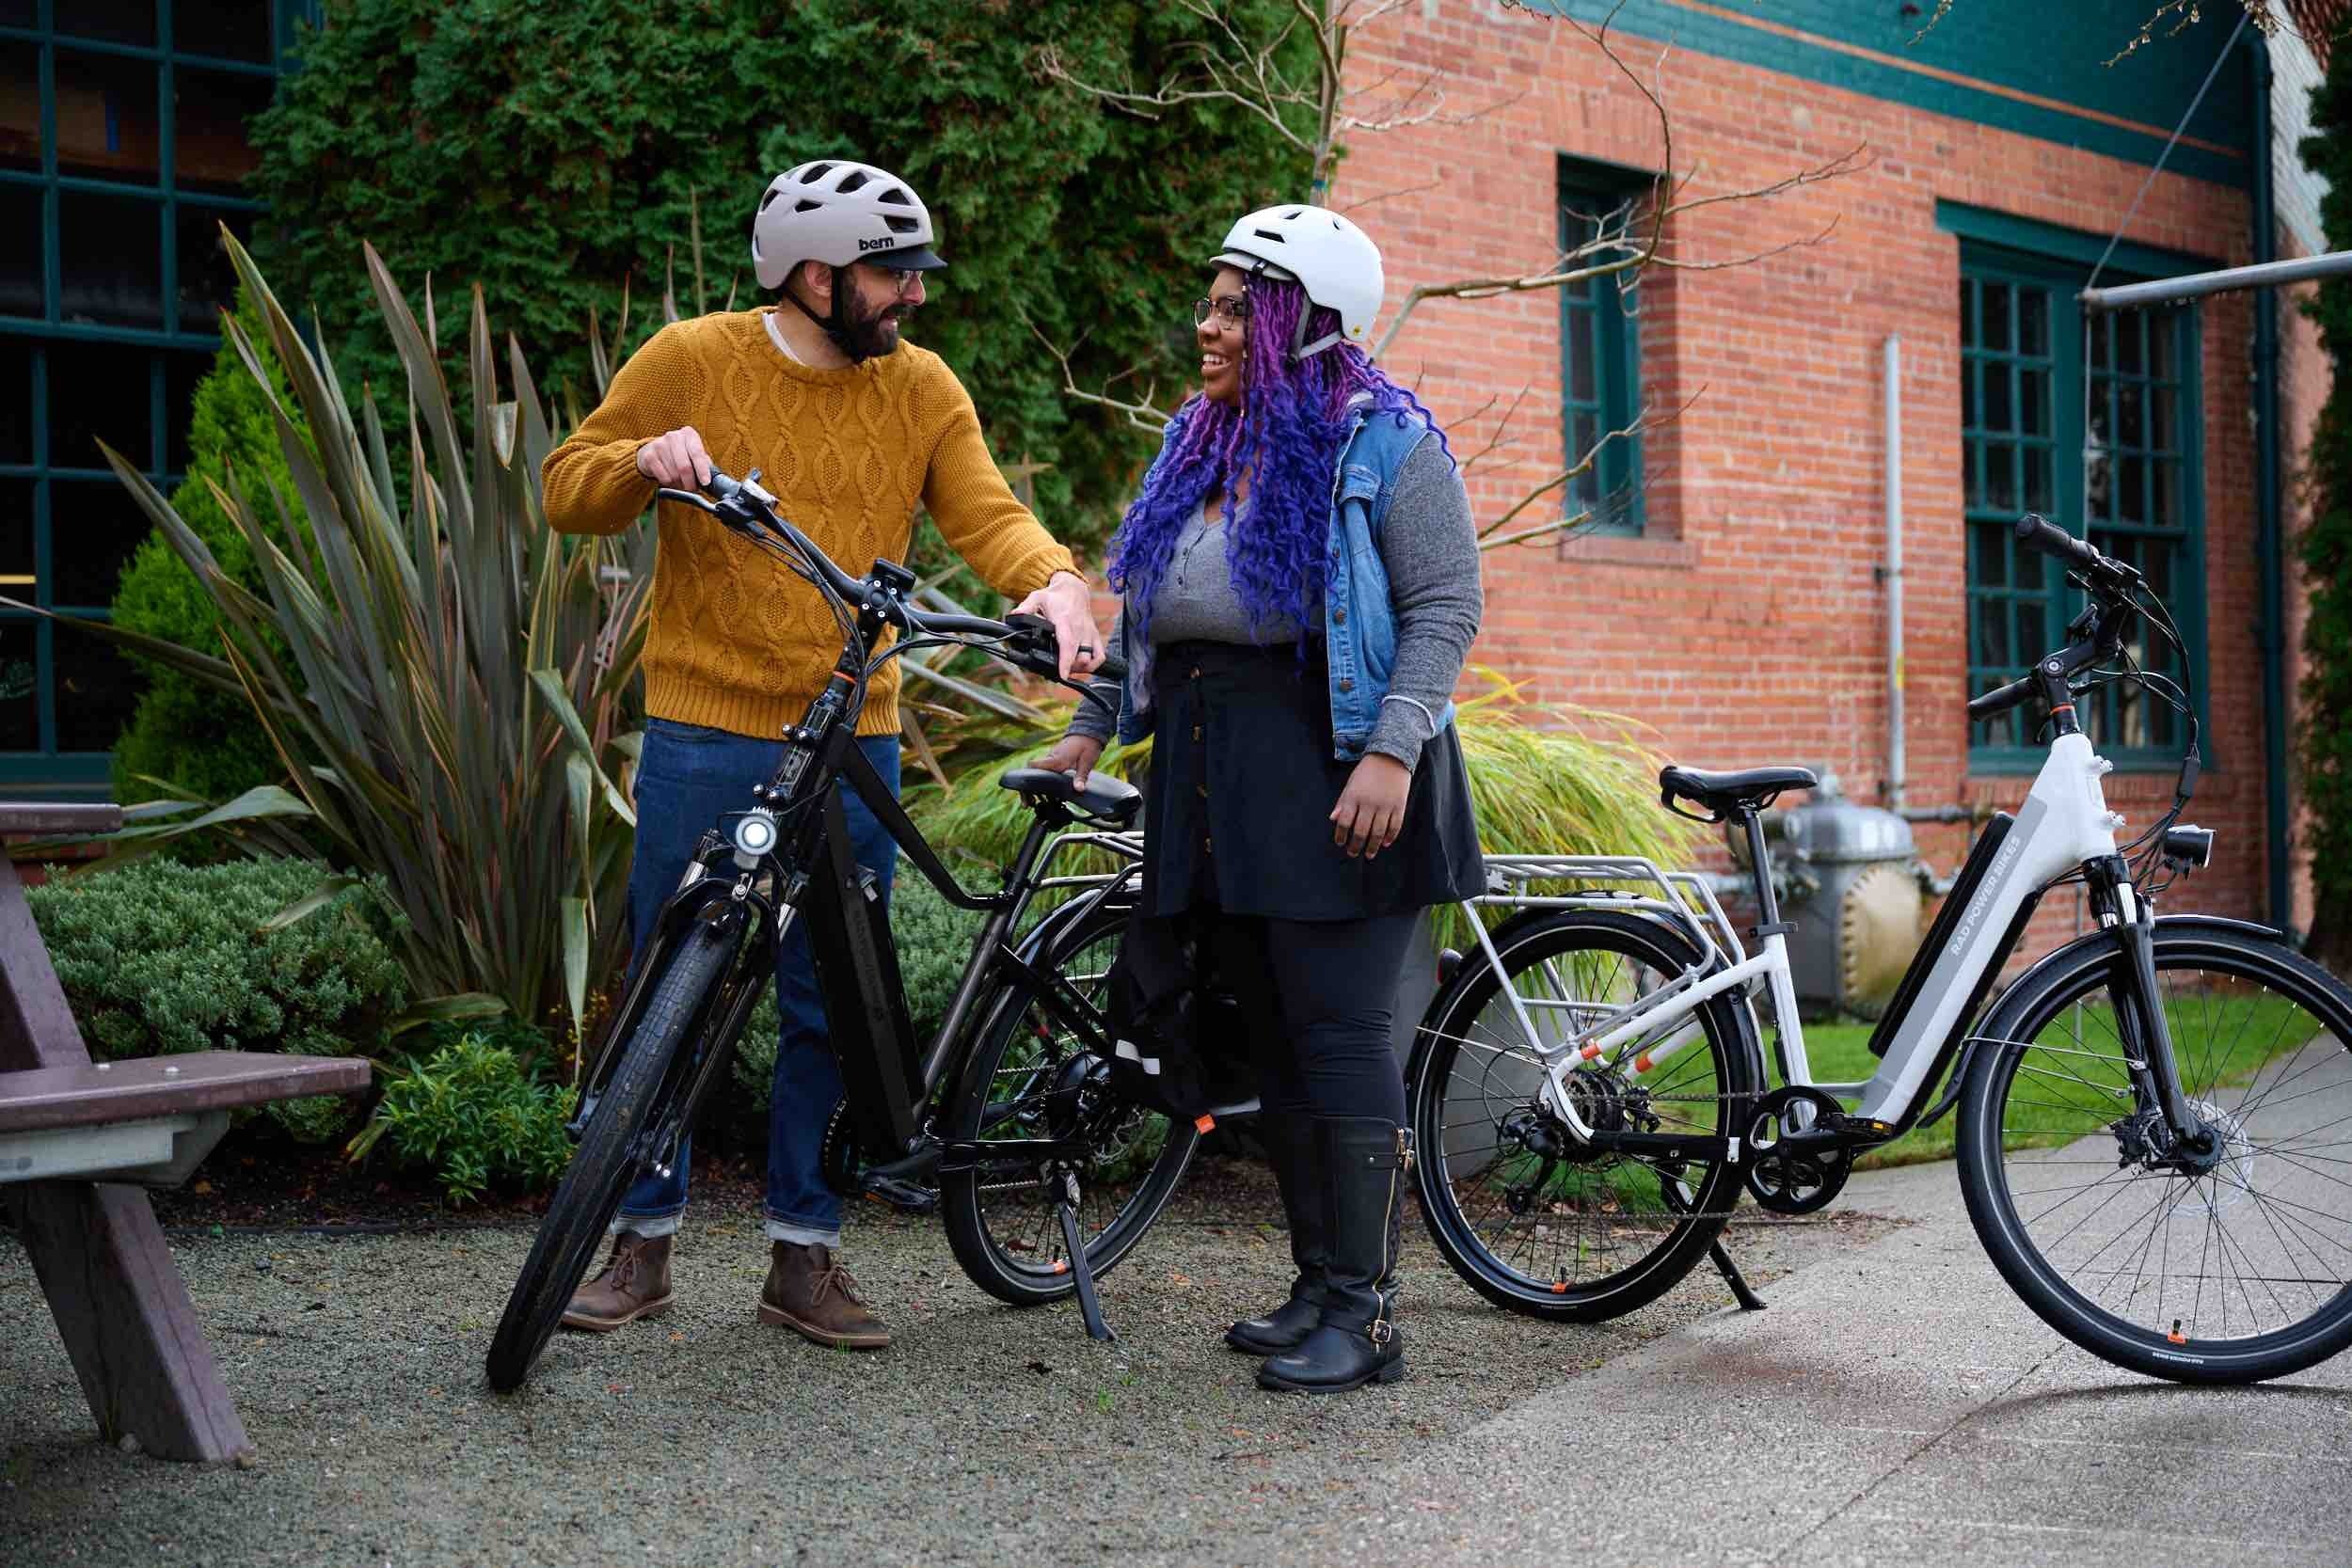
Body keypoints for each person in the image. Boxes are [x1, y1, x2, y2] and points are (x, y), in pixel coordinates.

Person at [541, 159, 1103, 1352]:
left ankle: (807, 1252)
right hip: (707, 723)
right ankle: (639, 1237)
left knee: (829, 999)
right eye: (891, 274)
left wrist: (1051, 581)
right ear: (812, 275)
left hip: (859, 734)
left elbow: (987, 511)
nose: (911, 296)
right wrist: (644, 463)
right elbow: (565, 487)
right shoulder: (690, 358)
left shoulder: (922, 386)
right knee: (668, 980)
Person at [1038, 204, 1484, 1393]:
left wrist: (1391, 752)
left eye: (1239, 307)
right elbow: (1149, 610)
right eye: (1212, 302)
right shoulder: (1199, 435)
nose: (1209, 325)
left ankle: (1368, 1313)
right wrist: (1087, 736)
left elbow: (1443, 607)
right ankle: (1316, 1285)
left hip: (1336, 771)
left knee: (1339, 1042)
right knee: (1272, 1041)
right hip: (1209, 774)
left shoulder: (1385, 442)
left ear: (1307, 318)